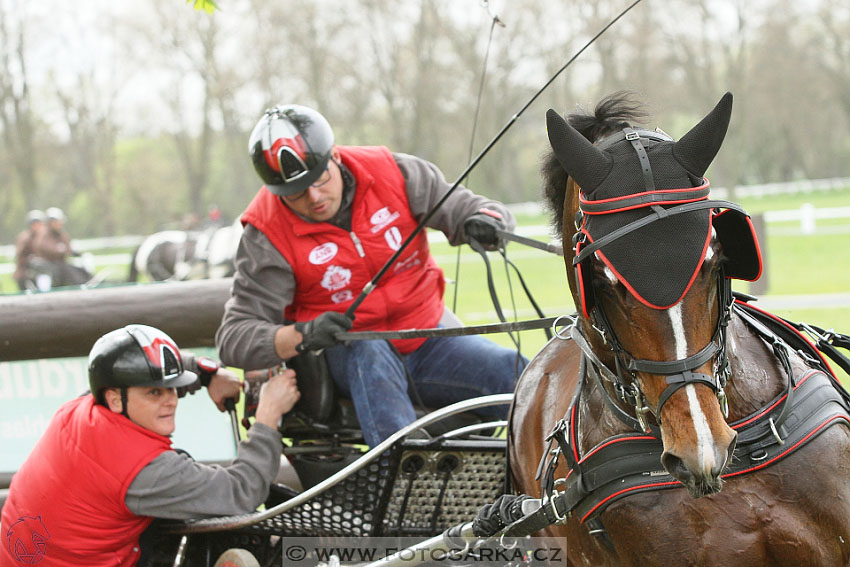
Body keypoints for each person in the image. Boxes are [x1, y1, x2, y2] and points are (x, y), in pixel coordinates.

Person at [216, 104, 527, 447]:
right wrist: (302, 334)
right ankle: (405, 477)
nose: (314, 197)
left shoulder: (395, 173)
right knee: (371, 355)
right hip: (350, 354)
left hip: (428, 337)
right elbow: (234, 338)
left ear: (333, 156)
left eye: (319, 179)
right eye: (296, 193)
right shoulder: (265, 234)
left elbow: (469, 207)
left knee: (513, 370)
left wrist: (488, 220)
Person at [0, 324, 299, 567]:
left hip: (19, 557)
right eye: (154, 393)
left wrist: (205, 372)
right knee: (207, 501)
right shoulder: (144, 470)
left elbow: (144, 371)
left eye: (173, 388)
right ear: (116, 398)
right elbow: (242, 492)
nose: (171, 400)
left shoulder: (81, 409)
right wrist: (267, 417)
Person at [29, 207, 84, 289]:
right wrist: (62, 250)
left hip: (60, 264)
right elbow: (46, 248)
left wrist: (70, 251)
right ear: (51, 222)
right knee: (67, 271)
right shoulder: (43, 234)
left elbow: (67, 246)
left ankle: (85, 283)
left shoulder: (61, 234)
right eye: (57, 221)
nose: (60, 223)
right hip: (49, 265)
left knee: (75, 269)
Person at [12, 210, 45, 291]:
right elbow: (20, 254)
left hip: (38, 270)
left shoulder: (42, 237)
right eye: (35, 224)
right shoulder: (25, 237)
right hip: (25, 272)